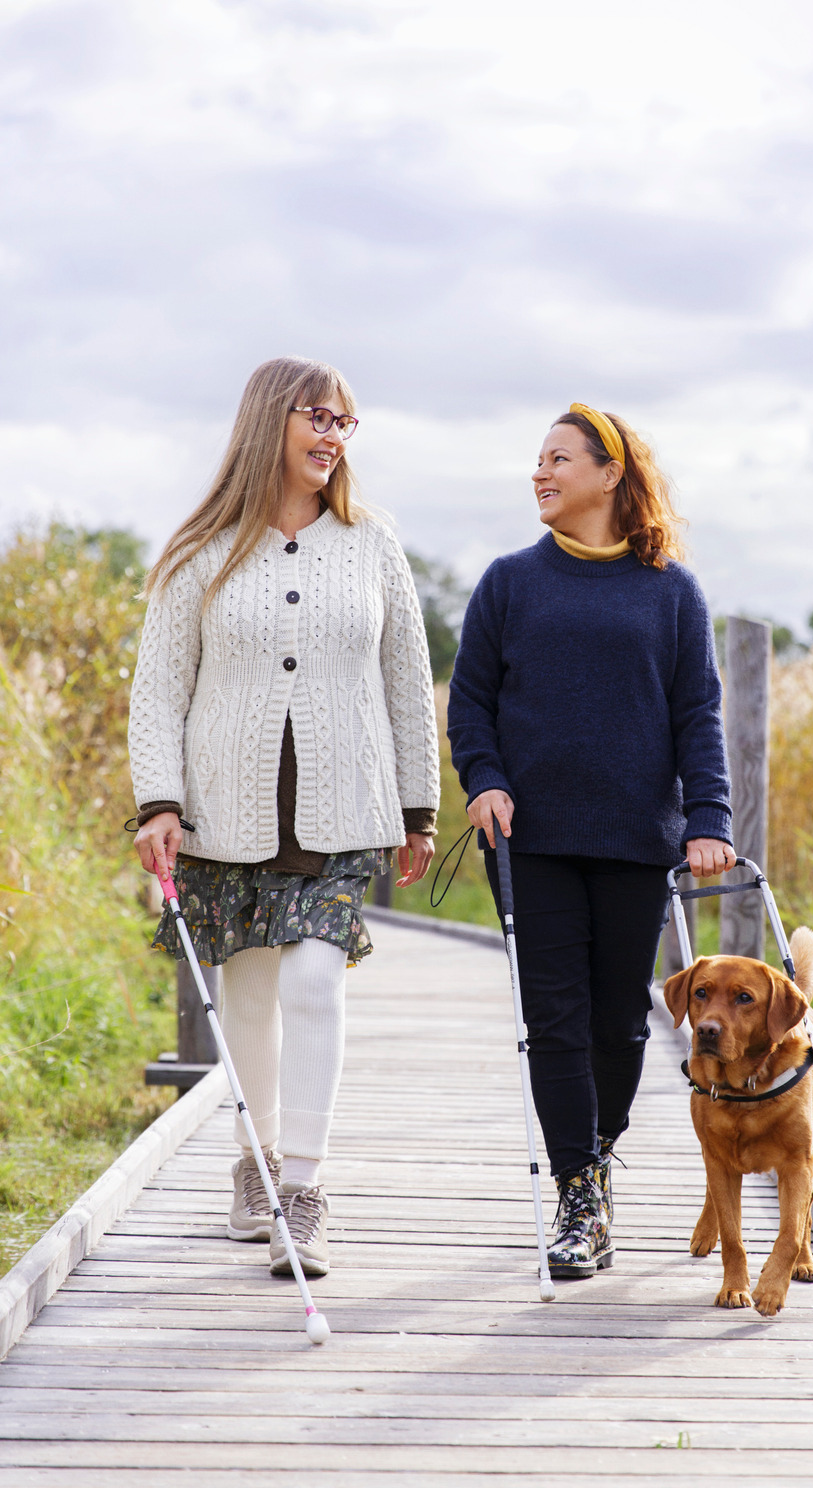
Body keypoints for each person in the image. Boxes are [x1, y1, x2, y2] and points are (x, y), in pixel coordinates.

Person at [128, 356, 439, 1278]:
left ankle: (304, 1190)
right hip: (226, 810)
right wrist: (159, 802)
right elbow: (158, 693)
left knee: (313, 979)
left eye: (346, 423)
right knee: (252, 994)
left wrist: (418, 811)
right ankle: (255, 1164)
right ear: (272, 421)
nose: (334, 436)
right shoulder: (199, 552)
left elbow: (406, 689)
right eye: (319, 417)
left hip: (344, 812)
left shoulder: (374, 544)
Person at [448, 402, 735, 1278]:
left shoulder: (670, 591)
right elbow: (470, 704)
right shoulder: (508, 582)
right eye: (537, 461)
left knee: (621, 1023)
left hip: (632, 839)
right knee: (556, 1021)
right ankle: (578, 1194)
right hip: (530, 840)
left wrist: (708, 820)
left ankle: (597, 1161)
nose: (541, 473)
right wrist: (485, 779)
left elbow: (697, 714)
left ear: (609, 475)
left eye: (559, 459)